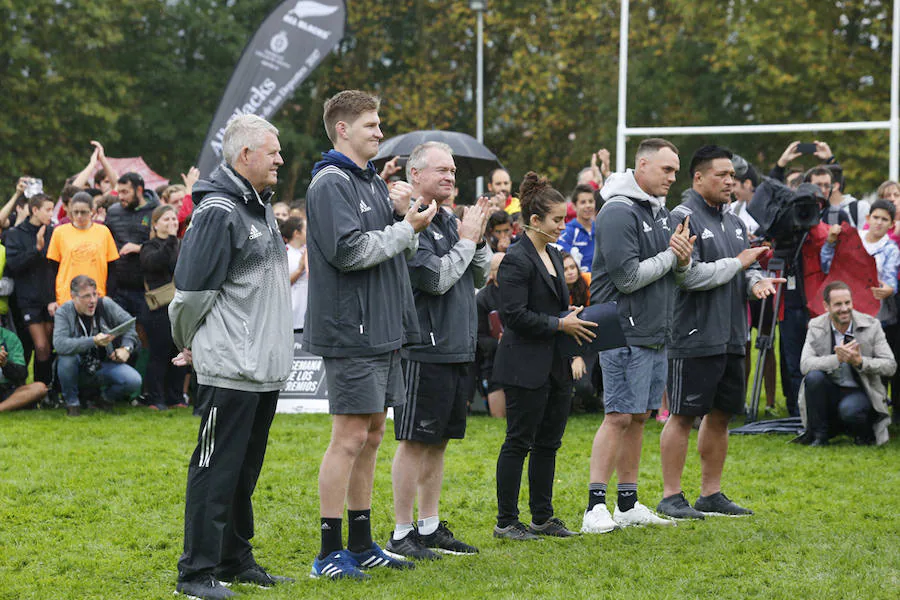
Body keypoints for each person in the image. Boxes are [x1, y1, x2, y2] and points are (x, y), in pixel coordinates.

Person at [304, 90, 437, 580]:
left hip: (381, 328)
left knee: (374, 434)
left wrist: (410, 222)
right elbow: (350, 252)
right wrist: (406, 227)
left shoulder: (369, 182)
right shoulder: (330, 183)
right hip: (350, 329)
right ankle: (327, 552)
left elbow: (391, 248)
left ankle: (361, 543)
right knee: (349, 437)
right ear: (342, 128)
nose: (380, 133)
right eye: (371, 125)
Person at [169, 114, 294, 599]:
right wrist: (190, 343)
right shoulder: (218, 210)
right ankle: (196, 573)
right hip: (231, 368)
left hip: (261, 369)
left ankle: (235, 559)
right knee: (214, 469)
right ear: (246, 156)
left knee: (243, 470)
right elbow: (191, 294)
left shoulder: (257, 206)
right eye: (274, 150)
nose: (281, 158)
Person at [656, 145, 780, 520]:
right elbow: (687, 277)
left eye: (733, 176)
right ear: (698, 178)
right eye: (722, 175)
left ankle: (710, 493)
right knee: (682, 415)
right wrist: (740, 264)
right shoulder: (681, 217)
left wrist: (755, 279)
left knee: (722, 413)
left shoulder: (735, 222)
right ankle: (671, 496)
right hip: (692, 334)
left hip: (732, 334)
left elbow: (743, 268)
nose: (732, 182)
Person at [582, 138, 693, 534]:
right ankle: (595, 507)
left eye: (675, 171)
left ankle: (626, 503)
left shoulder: (657, 212)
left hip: (653, 331)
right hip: (622, 330)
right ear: (642, 166)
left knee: (640, 417)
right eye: (666, 169)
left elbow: (672, 272)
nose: (672, 178)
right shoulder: (616, 211)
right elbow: (627, 279)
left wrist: (682, 259)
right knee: (617, 416)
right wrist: (670, 256)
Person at [386, 142, 491, 560]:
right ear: (416, 175)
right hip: (423, 348)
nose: (451, 176)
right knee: (414, 440)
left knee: (439, 441)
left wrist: (475, 238)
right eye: (441, 170)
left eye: (453, 171)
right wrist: (467, 241)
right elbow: (435, 280)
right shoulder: (410, 221)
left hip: (457, 346)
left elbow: (480, 275)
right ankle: (400, 532)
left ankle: (428, 526)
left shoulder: (448, 218)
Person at [492, 172, 597, 541]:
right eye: (557, 220)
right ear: (535, 221)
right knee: (518, 441)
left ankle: (542, 517)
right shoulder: (515, 259)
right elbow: (514, 315)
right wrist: (558, 324)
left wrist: (570, 317)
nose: (562, 226)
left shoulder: (554, 253)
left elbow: (552, 306)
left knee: (549, 443)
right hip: (524, 366)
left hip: (555, 366)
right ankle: (506, 521)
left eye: (564, 220)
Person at [797, 281, 896, 446]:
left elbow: (890, 366)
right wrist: (837, 359)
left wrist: (861, 362)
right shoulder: (816, 325)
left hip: (862, 391)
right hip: (831, 389)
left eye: (847, 303)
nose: (844, 308)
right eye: (837, 304)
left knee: (849, 410)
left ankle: (864, 434)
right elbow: (805, 365)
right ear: (826, 306)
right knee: (813, 377)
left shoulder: (872, 325)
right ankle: (820, 437)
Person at [53, 275, 142, 416]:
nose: (93, 301)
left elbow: (130, 324)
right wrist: (93, 341)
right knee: (66, 360)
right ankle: (72, 403)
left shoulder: (105, 304)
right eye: (86, 296)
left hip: (103, 366)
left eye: (95, 294)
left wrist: (126, 348)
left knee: (134, 380)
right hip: (77, 368)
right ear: (73, 296)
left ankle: (104, 399)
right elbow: (60, 344)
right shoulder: (63, 312)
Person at [4, 193, 57, 387]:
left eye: (52, 209)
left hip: (50, 298)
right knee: (40, 346)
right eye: (48, 209)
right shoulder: (14, 234)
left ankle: (44, 391)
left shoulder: (54, 232)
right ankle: (37, 389)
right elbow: (14, 265)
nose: (51, 214)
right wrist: (35, 249)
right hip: (27, 300)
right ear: (35, 210)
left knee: (49, 347)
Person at [140, 205, 188, 410]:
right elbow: (156, 264)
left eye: (174, 220)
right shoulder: (149, 246)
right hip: (159, 308)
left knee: (179, 350)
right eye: (166, 219)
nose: (172, 223)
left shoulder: (181, 244)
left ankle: (175, 396)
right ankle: (155, 397)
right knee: (159, 353)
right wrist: (169, 240)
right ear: (156, 223)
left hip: (180, 306)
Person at [46, 192, 119, 306]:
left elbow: (112, 267)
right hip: (67, 297)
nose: (79, 216)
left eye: (83, 212)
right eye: (76, 212)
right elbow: (51, 269)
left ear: (92, 211)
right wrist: (52, 299)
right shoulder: (60, 232)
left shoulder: (103, 231)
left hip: (96, 296)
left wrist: (109, 296)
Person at [106, 172, 159, 322]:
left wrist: (140, 248)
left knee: (144, 334)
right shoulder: (113, 212)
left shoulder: (156, 211)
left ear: (139, 190)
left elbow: (166, 245)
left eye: (125, 192)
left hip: (145, 287)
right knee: (118, 333)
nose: (121, 196)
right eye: (119, 191)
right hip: (118, 287)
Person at [476, 252, 506, 418]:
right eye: (501, 268)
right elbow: (479, 338)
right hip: (494, 360)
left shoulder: (523, 293)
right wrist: (501, 343)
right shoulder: (483, 299)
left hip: (522, 356)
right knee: (498, 416)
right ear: (492, 273)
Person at [0, 324, 48, 412]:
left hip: (8, 389)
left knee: (40, 388)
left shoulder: (10, 337)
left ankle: (2, 407)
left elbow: (22, 374)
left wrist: (5, 364)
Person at [279, 216, 308, 332]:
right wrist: (299, 270)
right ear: (297, 233)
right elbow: (282, 284)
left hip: (307, 312)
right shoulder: (284, 253)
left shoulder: (308, 250)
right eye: (306, 229)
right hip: (292, 313)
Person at [557, 184, 596, 271]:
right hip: (580, 282)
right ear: (574, 206)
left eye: (591, 201)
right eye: (583, 202)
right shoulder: (567, 231)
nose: (588, 205)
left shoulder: (600, 229)